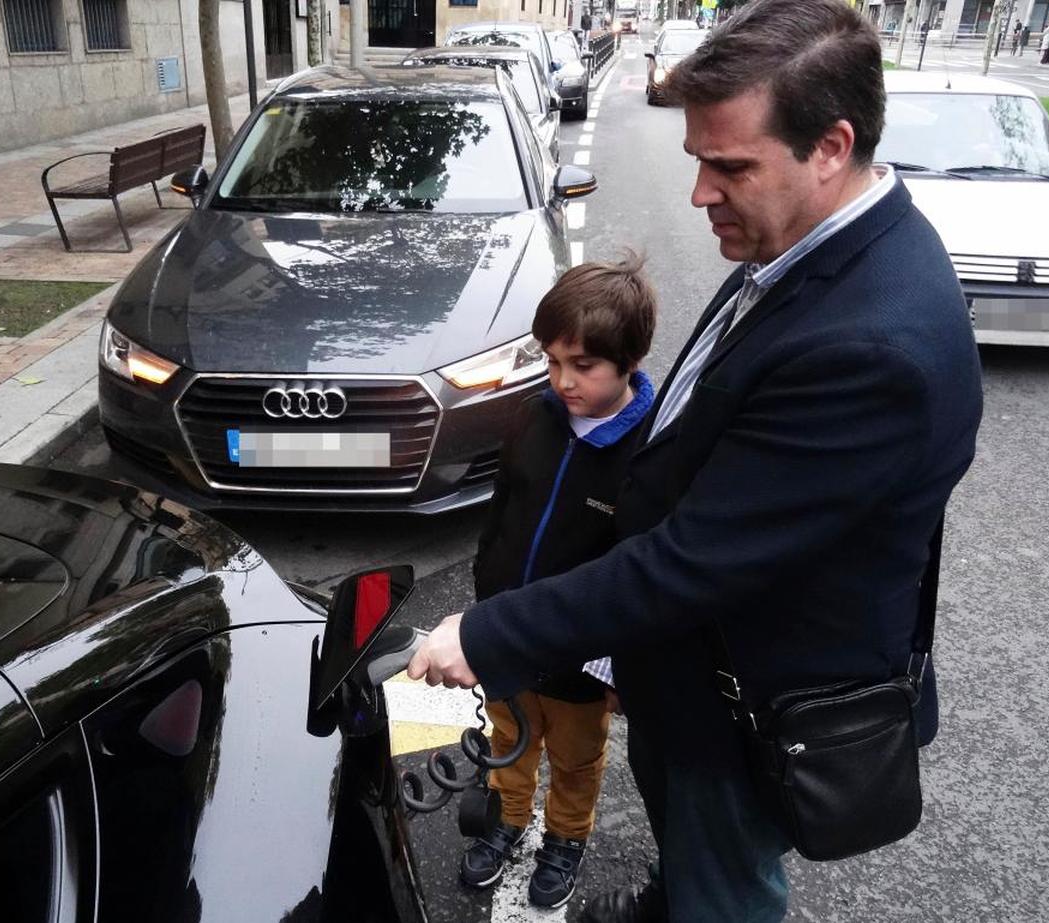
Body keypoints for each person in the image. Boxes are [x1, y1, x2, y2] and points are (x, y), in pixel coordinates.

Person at [409, 0, 984, 920]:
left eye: (730, 167)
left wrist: (488, 634)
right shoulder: (806, 245)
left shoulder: (873, 346)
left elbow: (698, 561)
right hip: (688, 672)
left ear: (831, 147)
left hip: (746, 704)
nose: (700, 194)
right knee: (693, 861)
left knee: (726, 883)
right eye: (699, 162)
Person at [459, 254, 657, 909]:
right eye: (551, 361)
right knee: (508, 739)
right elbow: (501, 511)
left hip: (580, 658)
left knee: (575, 757)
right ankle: (509, 820)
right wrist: (486, 593)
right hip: (510, 636)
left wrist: (617, 667)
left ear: (628, 360)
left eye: (583, 366)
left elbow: (639, 571)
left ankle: (566, 837)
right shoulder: (533, 419)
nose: (562, 380)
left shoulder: (647, 452)